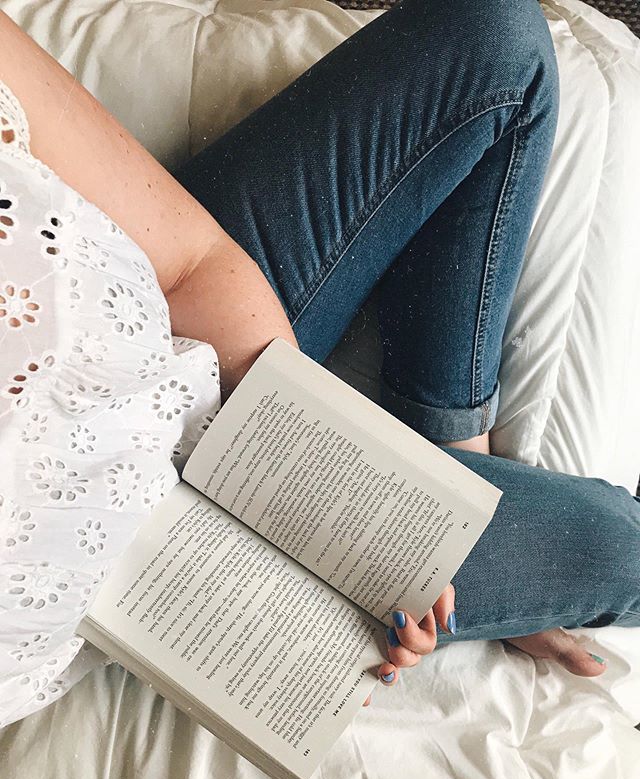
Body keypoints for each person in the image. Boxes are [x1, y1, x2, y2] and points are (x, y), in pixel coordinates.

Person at [0, 0, 638, 721]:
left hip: (181, 335)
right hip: (153, 578)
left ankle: (449, 446)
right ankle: (453, 471)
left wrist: (390, 494)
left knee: (498, 42)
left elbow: (189, 265)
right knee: (619, 548)